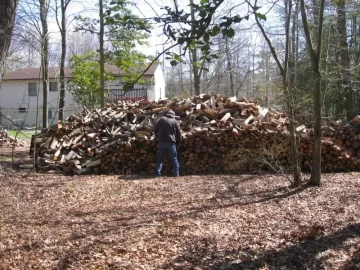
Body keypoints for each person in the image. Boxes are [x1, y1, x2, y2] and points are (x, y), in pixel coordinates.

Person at [154, 109, 181, 177]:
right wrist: (178, 142)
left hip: (161, 142)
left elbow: (155, 128)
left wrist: (156, 136)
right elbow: (178, 133)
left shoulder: (161, 119)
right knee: (174, 159)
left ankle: (157, 174)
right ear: (173, 115)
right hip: (171, 143)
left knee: (159, 159)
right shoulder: (175, 121)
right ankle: (176, 174)